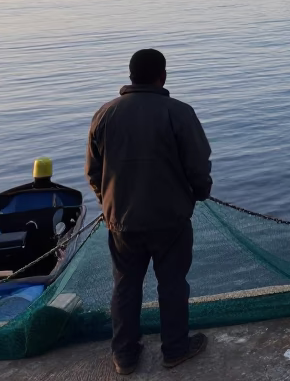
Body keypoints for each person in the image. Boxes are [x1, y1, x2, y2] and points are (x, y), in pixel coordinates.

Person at [86, 49, 212, 375]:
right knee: (172, 284)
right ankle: (175, 349)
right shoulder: (179, 113)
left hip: (121, 222)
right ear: (163, 76)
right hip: (171, 220)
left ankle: (124, 356)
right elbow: (198, 166)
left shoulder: (104, 114)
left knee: (126, 286)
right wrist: (200, 193)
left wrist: (108, 204)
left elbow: (93, 171)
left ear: (130, 76)